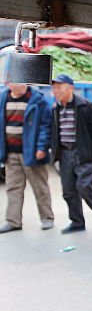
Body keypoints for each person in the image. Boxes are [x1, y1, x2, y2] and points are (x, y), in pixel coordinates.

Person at [50, 74, 92, 233]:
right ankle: (77, 222)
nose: (56, 91)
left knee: (84, 187)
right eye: (54, 88)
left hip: (83, 152)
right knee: (68, 191)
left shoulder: (85, 107)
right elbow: (54, 132)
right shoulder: (55, 109)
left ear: (70, 88)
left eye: (59, 87)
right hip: (65, 154)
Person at [0, 80, 54, 233]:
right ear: (9, 84)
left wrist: (42, 147)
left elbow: (45, 126)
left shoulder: (38, 99)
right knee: (13, 188)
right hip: (11, 153)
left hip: (31, 152)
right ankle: (13, 221)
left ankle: (47, 218)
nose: (23, 85)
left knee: (40, 187)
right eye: (18, 82)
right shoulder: (3, 98)